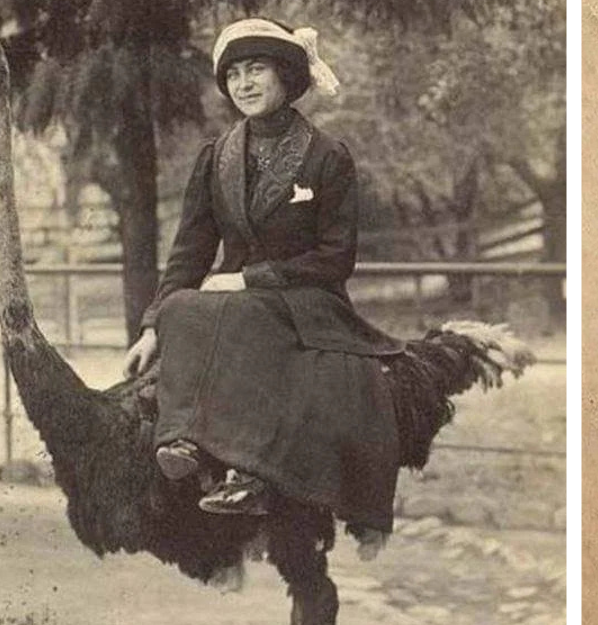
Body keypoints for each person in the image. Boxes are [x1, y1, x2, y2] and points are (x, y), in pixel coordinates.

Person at [122, 18, 402, 550]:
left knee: (239, 311)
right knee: (183, 307)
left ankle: (248, 473)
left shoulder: (327, 156)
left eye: (257, 70)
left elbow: (336, 257)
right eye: (234, 75)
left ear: (286, 78)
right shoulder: (216, 157)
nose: (244, 84)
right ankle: (182, 444)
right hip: (237, 295)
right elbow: (190, 252)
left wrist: (251, 279)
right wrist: (153, 326)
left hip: (308, 296)